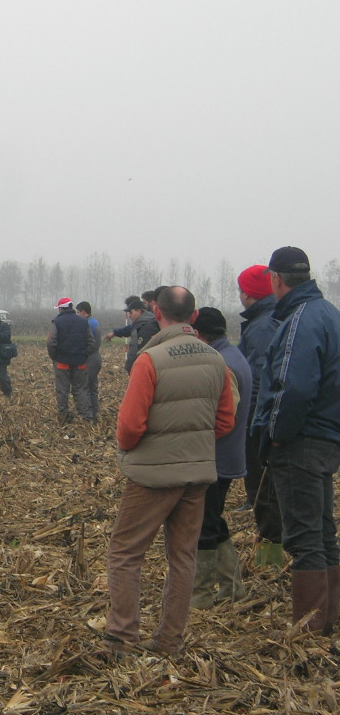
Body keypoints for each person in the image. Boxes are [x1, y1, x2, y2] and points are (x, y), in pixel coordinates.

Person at [105, 286, 236, 656]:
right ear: (193, 316)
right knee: (183, 558)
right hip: (197, 475)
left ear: (157, 313)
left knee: (125, 553)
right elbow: (225, 422)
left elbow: (130, 426)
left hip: (152, 476)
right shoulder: (216, 360)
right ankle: (169, 642)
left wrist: (131, 450)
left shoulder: (150, 360)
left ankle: (122, 639)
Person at [252, 246, 340, 635]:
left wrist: (276, 436)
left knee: (304, 538)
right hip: (327, 439)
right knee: (322, 533)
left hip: (301, 441)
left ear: (276, 279)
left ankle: (308, 630)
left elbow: (295, 388)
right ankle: (328, 619)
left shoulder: (301, 320)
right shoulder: (329, 314)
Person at [189, 307, 252, 608]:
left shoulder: (223, 364)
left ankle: (200, 595)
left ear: (199, 335)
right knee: (212, 519)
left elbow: (224, 418)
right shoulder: (231, 355)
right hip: (222, 456)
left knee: (203, 523)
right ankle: (232, 587)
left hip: (216, 458)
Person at [236, 264, 284, 565]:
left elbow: (258, 378)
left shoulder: (264, 326)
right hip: (266, 414)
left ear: (247, 293)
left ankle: (271, 558)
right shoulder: (267, 318)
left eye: (240, 290)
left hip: (259, 417)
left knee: (264, 485)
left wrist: (249, 419)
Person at [47, 297, 95, 423]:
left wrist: (54, 357)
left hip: (62, 363)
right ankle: (86, 417)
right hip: (80, 362)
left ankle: (63, 416)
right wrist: (84, 355)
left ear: (61, 309)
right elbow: (91, 342)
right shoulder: (83, 321)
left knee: (62, 390)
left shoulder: (57, 322)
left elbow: (51, 342)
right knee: (81, 389)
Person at [105, 298, 157, 374]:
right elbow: (127, 330)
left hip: (143, 369)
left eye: (131, 312)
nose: (129, 316)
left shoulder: (150, 326)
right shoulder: (137, 324)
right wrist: (115, 333)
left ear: (138, 311)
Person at [77, 301, 103, 418]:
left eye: (78, 312)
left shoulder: (87, 324)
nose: (77, 315)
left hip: (90, 359)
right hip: (96, 357)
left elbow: (89, 343)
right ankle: (94, 411)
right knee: (93, 387)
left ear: (83, 312)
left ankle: (88, 414)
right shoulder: (95, 322)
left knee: (85, 386)